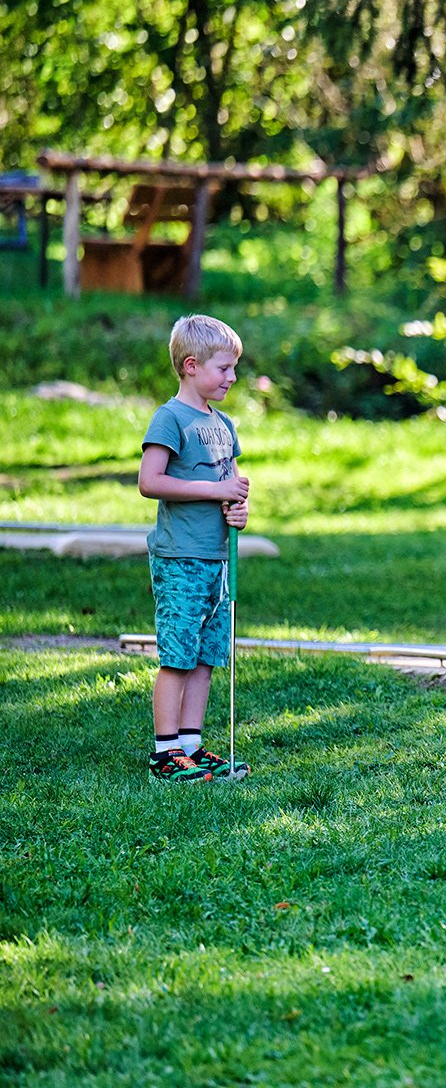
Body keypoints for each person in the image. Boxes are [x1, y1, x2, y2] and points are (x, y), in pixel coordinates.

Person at [137, 314, 253, 783]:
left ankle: (191, 746)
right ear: (191, 366)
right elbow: (150, 481)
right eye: (224, 368)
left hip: (218, 559)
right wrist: (214, 491)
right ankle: (165, 753)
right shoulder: (170, 418)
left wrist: (239, 510)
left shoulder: (223, 424)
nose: (232, 377)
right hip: (180, 558)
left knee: (206, 657)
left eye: (233, 368)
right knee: (178, 656)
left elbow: (231, 487)